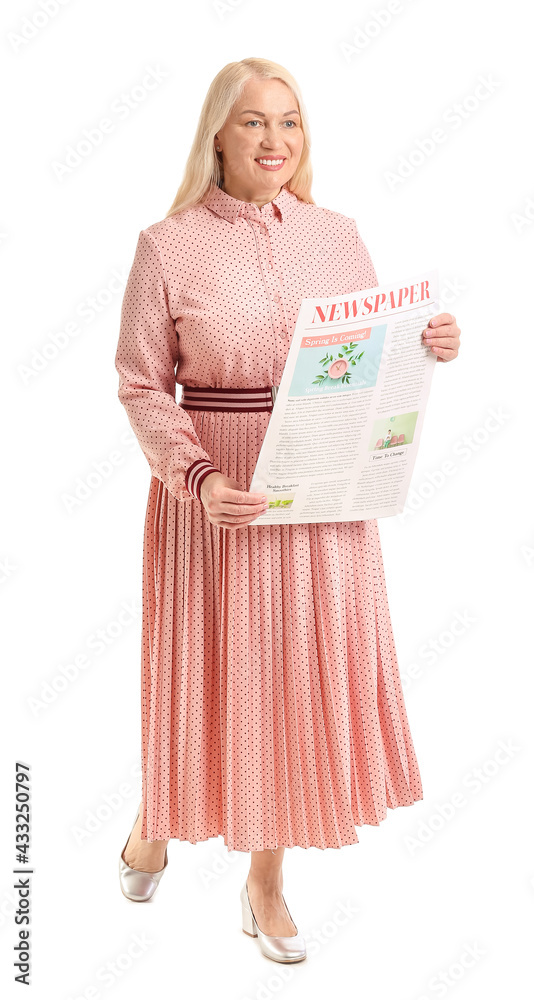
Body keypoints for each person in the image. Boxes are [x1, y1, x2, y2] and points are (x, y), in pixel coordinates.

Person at [114, 57, 461, 963]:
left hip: (325, 488)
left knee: (286, 684)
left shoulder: (338, 234)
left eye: (291, 122)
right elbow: (142, 385)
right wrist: (193, 478)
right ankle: (157, 816)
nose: (275, 140)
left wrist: (429, 342)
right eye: (254, 122)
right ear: (216, 137)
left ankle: (264, 883)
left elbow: (369, 354)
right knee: (212, 673)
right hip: (218, 491)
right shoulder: (168, 245)